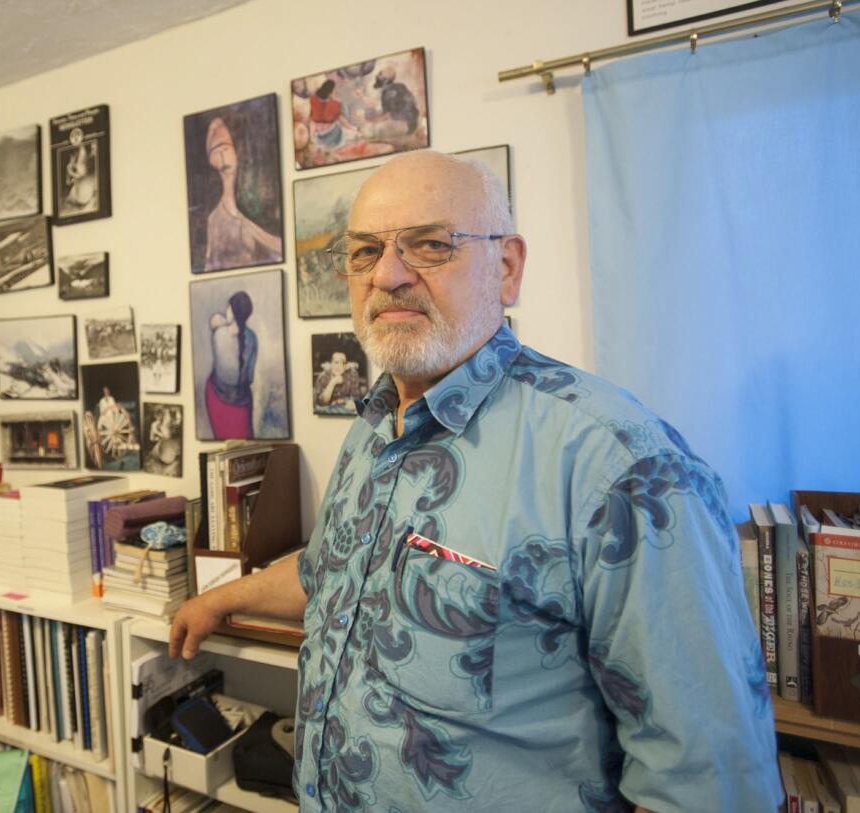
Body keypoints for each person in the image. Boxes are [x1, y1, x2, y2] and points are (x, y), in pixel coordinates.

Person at [170, 151, 780, 811]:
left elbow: (708, 779)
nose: (389, 275)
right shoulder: (375, 425)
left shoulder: (620, 465)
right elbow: (331, 569)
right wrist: (220, 600)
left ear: (508, 268)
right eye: (365, 251)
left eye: (429, 245)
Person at [202, 116, 282, 271]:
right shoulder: (213, 220)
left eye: (225, 148)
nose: (222, 155)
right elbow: (208, 266)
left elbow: (280, 249)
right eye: (215, 151)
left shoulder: (258, 205)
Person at [204, 291, 258, 439]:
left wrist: (223, 323)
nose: (226, 309)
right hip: (242, 402)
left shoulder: (219, 334)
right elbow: (250, 377)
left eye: (228, 307)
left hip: (217, 397)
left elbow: (223, 371)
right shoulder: (252, 337)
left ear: (232, 311)